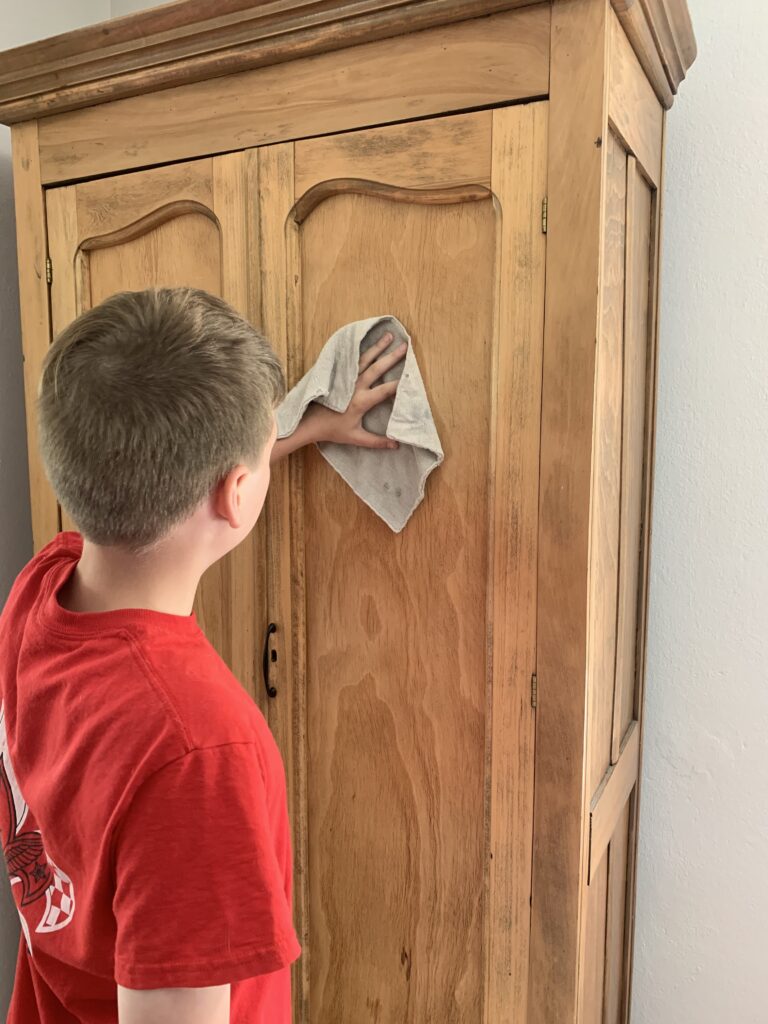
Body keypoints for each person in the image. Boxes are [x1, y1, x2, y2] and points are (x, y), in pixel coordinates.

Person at [0, 287, 406, 1024]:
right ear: (236, 493)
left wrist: (297, 433)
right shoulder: (197, 752)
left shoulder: (38, 593)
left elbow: (156, 479)